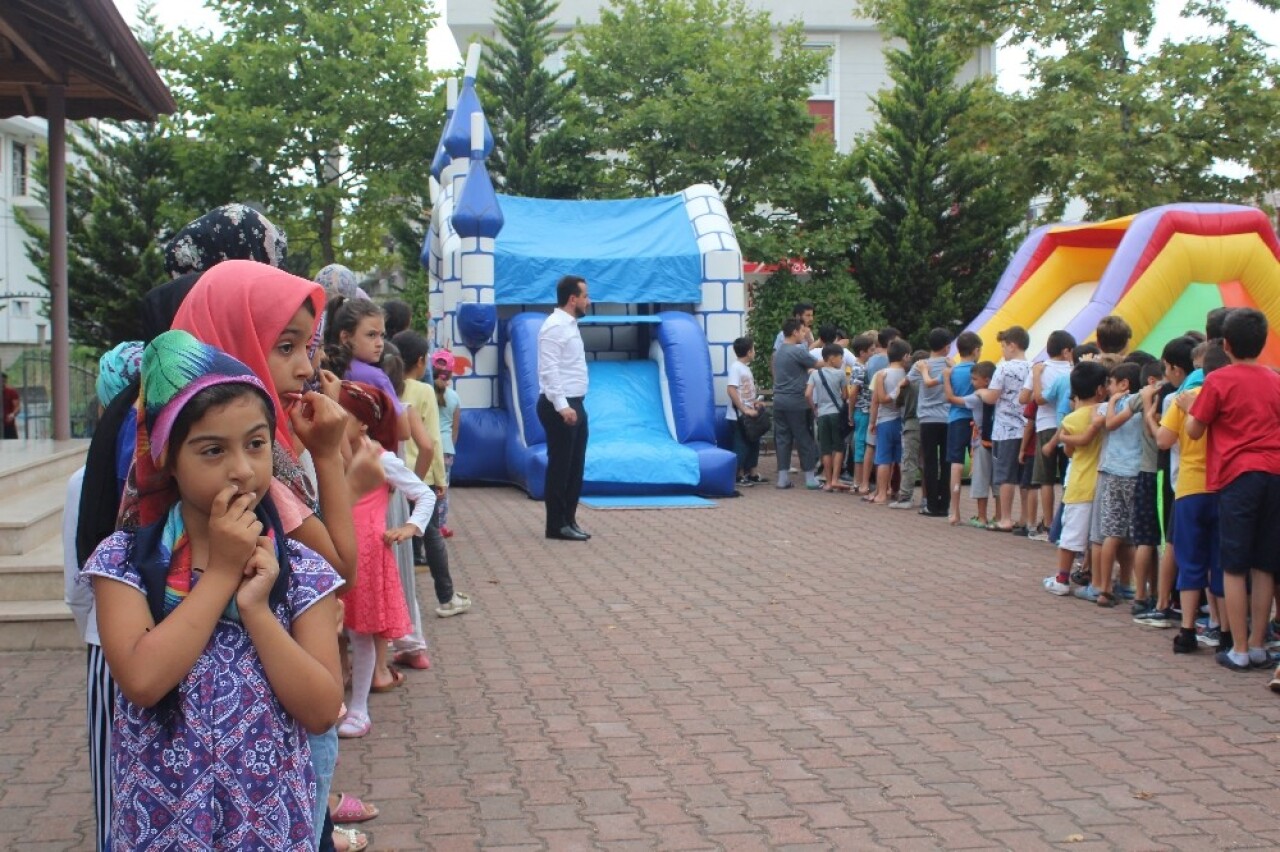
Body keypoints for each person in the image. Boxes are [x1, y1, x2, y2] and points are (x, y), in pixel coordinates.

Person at [84, 331, 343, 849]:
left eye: (256, 443)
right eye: (211, 450)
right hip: (162, 825)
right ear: (168, 459)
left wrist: (257, 610)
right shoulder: (124, 563)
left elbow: (320, 710)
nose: (242, 469)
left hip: (267, 825)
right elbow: (143, 679)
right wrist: (222, 575)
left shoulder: (299, 570)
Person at [335, 381, 437, 738]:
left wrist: (410, 527)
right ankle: (335, 703)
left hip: (366, 556)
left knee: (361, 635)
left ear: (362, 423)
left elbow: (424, 495)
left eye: (341, 413)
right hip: (332, 553)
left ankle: (360, 709)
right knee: (333, 633)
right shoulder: (323, 453)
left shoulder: (383, 459)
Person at [1184, 309, 1280, 677]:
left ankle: (1238, 648)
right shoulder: (1274, 379)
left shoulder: (1219, 380)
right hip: (1274, 474)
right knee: (1266, 563)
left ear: (1225, 345)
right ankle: (1258, 645)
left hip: (1238, 476)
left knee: (1235, 566)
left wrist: (1191, 407)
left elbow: (1194, 430)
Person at [1158, 347, 1228, 653]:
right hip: (1225, 486)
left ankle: (1187, 629)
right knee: (1222, 563)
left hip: (1189, 487)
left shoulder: (1184, 397)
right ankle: (1225, 629)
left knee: (1190, 560)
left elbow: (1163, 439)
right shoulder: (1232, 398)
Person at [1042, 361, 1109, 597]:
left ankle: (1061, 578)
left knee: (1071, 536)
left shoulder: (1071, 420)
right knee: (1098, 537)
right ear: (1101, 389)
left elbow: (1070, 453)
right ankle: (1095, 577)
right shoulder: (1107, 411)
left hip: (1080, 482)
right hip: (1104, 484)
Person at [1080, 362, 1142, 607]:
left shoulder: (1110, 406)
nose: (1108, 387)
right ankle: (1129, 585)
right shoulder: (1143, 404)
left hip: (1114, 474)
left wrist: (1112, 401)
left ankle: (1104, 587)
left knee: (1109, 534)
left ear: (1124, 384)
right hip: (1137, 474)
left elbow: (1098, 420)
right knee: (1131, 537)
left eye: (1111, 382)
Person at [537, 275, 592, 540]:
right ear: (573, 299)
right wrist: (561, 406)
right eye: (585, 296)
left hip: (575, 402)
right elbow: (549, 371)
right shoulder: (554, 326)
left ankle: (569, 518)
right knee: (560, 466)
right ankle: (555, 524)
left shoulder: (570, 325)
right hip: (559, 405)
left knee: (575, 466)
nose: (588, 301)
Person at [976, 326, 1030, 531]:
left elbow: (992, 397)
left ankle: (1005, 518)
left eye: (1003, 346)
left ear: (1012, 345)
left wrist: (981, 392)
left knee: (1006, 475)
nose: (1002, 351)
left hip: (1006, 429)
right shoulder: (1033, 367)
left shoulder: (1004, 368)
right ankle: (1025, 517)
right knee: (1025, 476)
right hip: (1026, 428)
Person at [1024, 330, 1075, 541]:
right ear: (1066, 351)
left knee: (1045, 478)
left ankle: (1048, 523)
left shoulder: (1040, 368)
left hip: (1045, 426)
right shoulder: (1073, 370)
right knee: (1067, 476)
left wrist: (1036, 376)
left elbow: (1027, 398)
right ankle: (1066, 522)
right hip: (1069, 426)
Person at [772, 318, 820, 490]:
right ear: (794, 332)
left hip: (779, 400)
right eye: (802, 331)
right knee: (804, 438)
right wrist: (832, 356)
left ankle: (782, 478)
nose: (804, 333)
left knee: (782, 439)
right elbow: (817, 363)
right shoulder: (797, 351)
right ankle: (810, 478)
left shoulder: (778, 352)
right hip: (797, 402)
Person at [944, 332, 982, 524]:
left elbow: (947, 396)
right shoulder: (978, 371)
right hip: (975, 420)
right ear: (976, 350)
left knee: (956, 463)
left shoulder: (952, 372)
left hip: (956, 419)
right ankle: (980, 511)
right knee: (978, 461)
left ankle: (954, 511)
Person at [913, 329, 952, 516]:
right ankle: (944, 504)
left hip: (928, 418)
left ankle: (931, 505)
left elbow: (905, 382)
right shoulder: (951, 365)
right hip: (947, 417)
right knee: (946, 462)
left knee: (930, 462)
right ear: (947, 347)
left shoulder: (921, 365)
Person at [869, 339, 910, 505]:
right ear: (905, 356)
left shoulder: (881, 374)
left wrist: (872, 422)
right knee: (902, 459)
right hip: (902, 421)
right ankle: (902, 491)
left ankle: (881, 493)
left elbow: (875, 401)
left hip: (884, 420)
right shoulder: (908, 375)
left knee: (883, 459)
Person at [805, 344, 848, 493]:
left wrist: (814, 408)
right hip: (836, 413)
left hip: (822, 414)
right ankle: (836, 479)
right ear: (831, 358)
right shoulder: (840, 374)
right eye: (840, 357)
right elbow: (845, 395)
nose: (842, 360)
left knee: (826, 449)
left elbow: (807, 394)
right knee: (838, 447)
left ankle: (828, 481)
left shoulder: (815, 374)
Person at [725, 336, 765, 486]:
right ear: (749, 352)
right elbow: (731, 389)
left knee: (753, 443)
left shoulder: (745, 368)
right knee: (741, 445)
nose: (754, 352)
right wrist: (743, 409)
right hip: (739, 416)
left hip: (750, 412)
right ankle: (738, 475)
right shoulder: (736, 368)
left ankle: (752, 473)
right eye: (753, 349)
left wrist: (754, 403)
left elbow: (746, 390)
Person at [432, 350, 462, 536]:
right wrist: (451, 445)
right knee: (442, 489)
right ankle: (440, 525)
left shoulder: (425, 392)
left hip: (427, 446)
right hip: (446, 449)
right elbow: (455, 428)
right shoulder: (454, 397)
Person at [2, 372, 19, 438]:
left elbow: (17, 407)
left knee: (12, 445)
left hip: (8, 425)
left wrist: (12, 414)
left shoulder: (11, 392)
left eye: (3, 381)